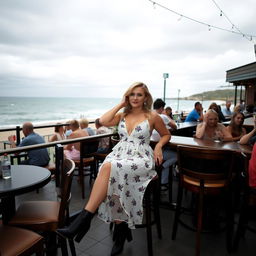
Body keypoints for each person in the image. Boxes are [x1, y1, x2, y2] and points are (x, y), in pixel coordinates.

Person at [57, 82, 170, 255]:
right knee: (112, 173)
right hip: (120, 154)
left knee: (110, 167)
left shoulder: (153, 116)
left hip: (141, 158)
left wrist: (159, 146)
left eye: (139, 94)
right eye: (131, 94)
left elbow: (166, 134)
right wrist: (120, 104)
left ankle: (84, 220)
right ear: (127, 97)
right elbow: (102, 121)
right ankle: (120, 231)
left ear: (146, 97)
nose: (135, 98)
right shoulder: (122, 115)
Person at [151, 99, 177, 185]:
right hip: (158, 152)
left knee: (165, 157)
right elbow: (175, 126)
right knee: (177, 156)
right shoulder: (163, 116)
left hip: (149, 152)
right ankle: (162, 168)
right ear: (162, 108)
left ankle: (163, 180)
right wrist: (166, 115)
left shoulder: (149, 115)